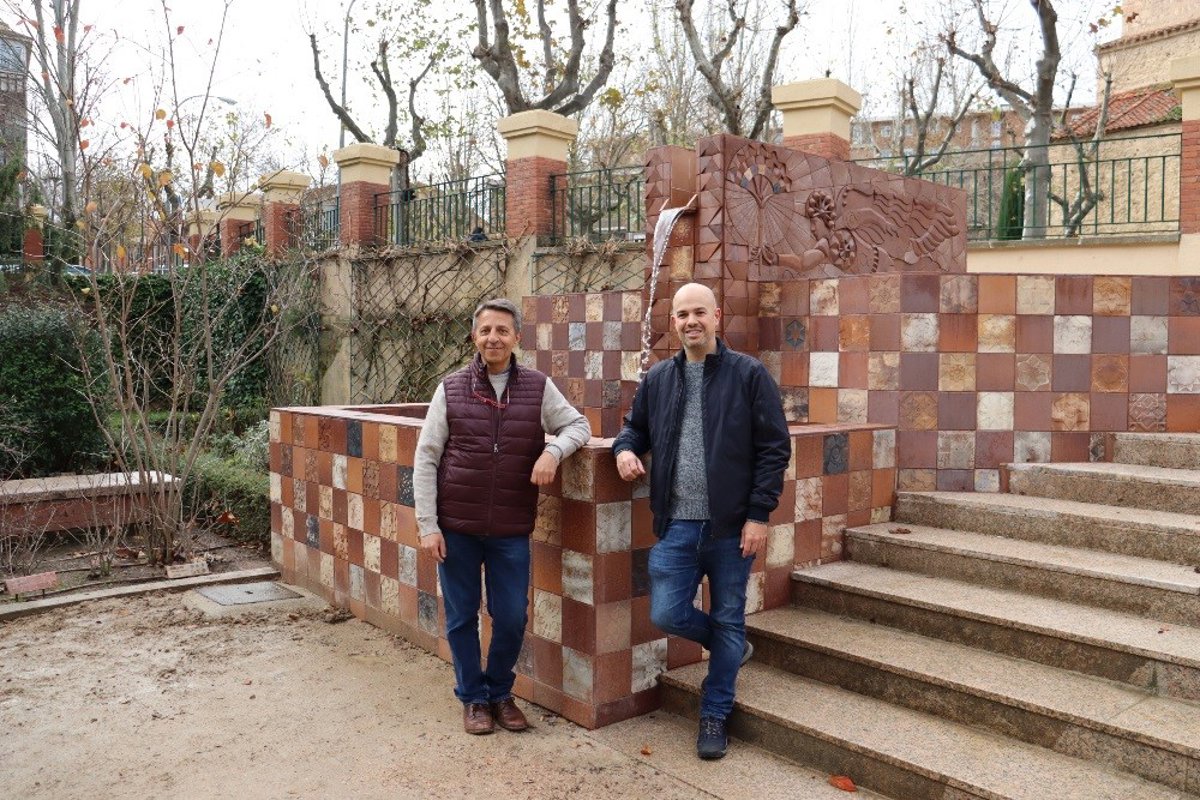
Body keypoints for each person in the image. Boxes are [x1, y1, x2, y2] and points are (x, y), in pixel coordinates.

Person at [612, 282, 791, 760]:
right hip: (677, 525)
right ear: (673, 322)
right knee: (666, 614)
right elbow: (634, 428)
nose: (690, 321)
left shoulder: (748, 374)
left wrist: (758, 515)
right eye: (682, 315)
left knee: (729, 615)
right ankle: (730, 645)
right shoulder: (658, 379)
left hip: (732, 528)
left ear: (716, 317)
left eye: (699, 313)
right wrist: (625, 449)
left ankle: (714, 713)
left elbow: (774, 448)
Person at [414, 298, 591, 735]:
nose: (493, 338)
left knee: (511, 617)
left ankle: (499, 692)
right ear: (474, 336)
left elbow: (579, 426)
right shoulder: (451, 388)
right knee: (461, 617)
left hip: (510, 528)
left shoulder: (537, 387)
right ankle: (473, 698)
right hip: (456, 527)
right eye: (486, 330)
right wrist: (428, 525)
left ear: (516, 338)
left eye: (502, 330)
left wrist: (553, 451)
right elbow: (426, 457)